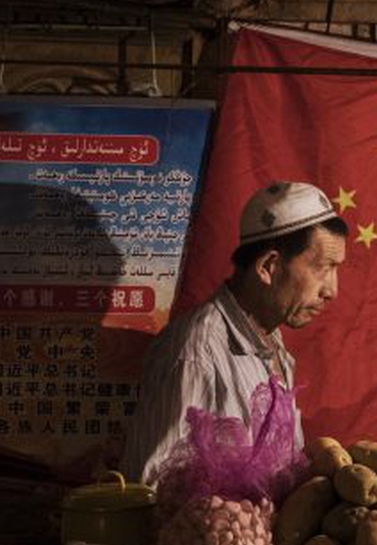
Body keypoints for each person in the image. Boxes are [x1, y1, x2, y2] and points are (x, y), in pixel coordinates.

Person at [121, 181, 348, 484]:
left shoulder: (272, 342)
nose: (332, 290)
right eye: (323, 268)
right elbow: (154, 486)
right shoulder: (196, 353)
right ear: (268, 266)